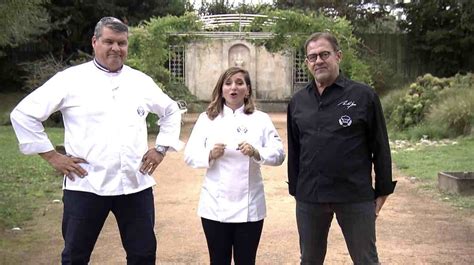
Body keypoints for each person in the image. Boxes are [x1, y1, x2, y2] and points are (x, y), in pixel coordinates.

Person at [10, 17, 183, 264]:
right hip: (86, 184)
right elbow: (23, 114)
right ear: (95, 42)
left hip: (134, 184)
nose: (115, 48)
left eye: (121, 43)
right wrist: (52, 156)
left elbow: (171, 111)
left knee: (143, 254)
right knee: (75, 256)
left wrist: (161, 148)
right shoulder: (69, 79)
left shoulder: (140, 81)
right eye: (108, 41)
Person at [287, 32, 397, 264]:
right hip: (311, 197)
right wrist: (297, 191)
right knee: (309, 260)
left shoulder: (363, 96)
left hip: (354, 195)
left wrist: (383, 188)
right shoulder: (298, 102)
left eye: (324, 54)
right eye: (312, 57)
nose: (318, 61)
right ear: (307, 63)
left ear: (338, 56)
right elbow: (295, 150)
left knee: (366, 260)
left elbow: (380, 145)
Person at [184, 67, 285, 264]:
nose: (233, 88)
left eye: (240, 83)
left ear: (248, 90)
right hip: (214, 206)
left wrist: (257, 152)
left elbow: (279, 154)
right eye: (228, 83)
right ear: (221, 89)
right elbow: (189, 156)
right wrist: (210, 154)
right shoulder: (207, 119)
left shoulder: (261, 119)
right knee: (218, 260)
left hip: (250, 207)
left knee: (246, 261)